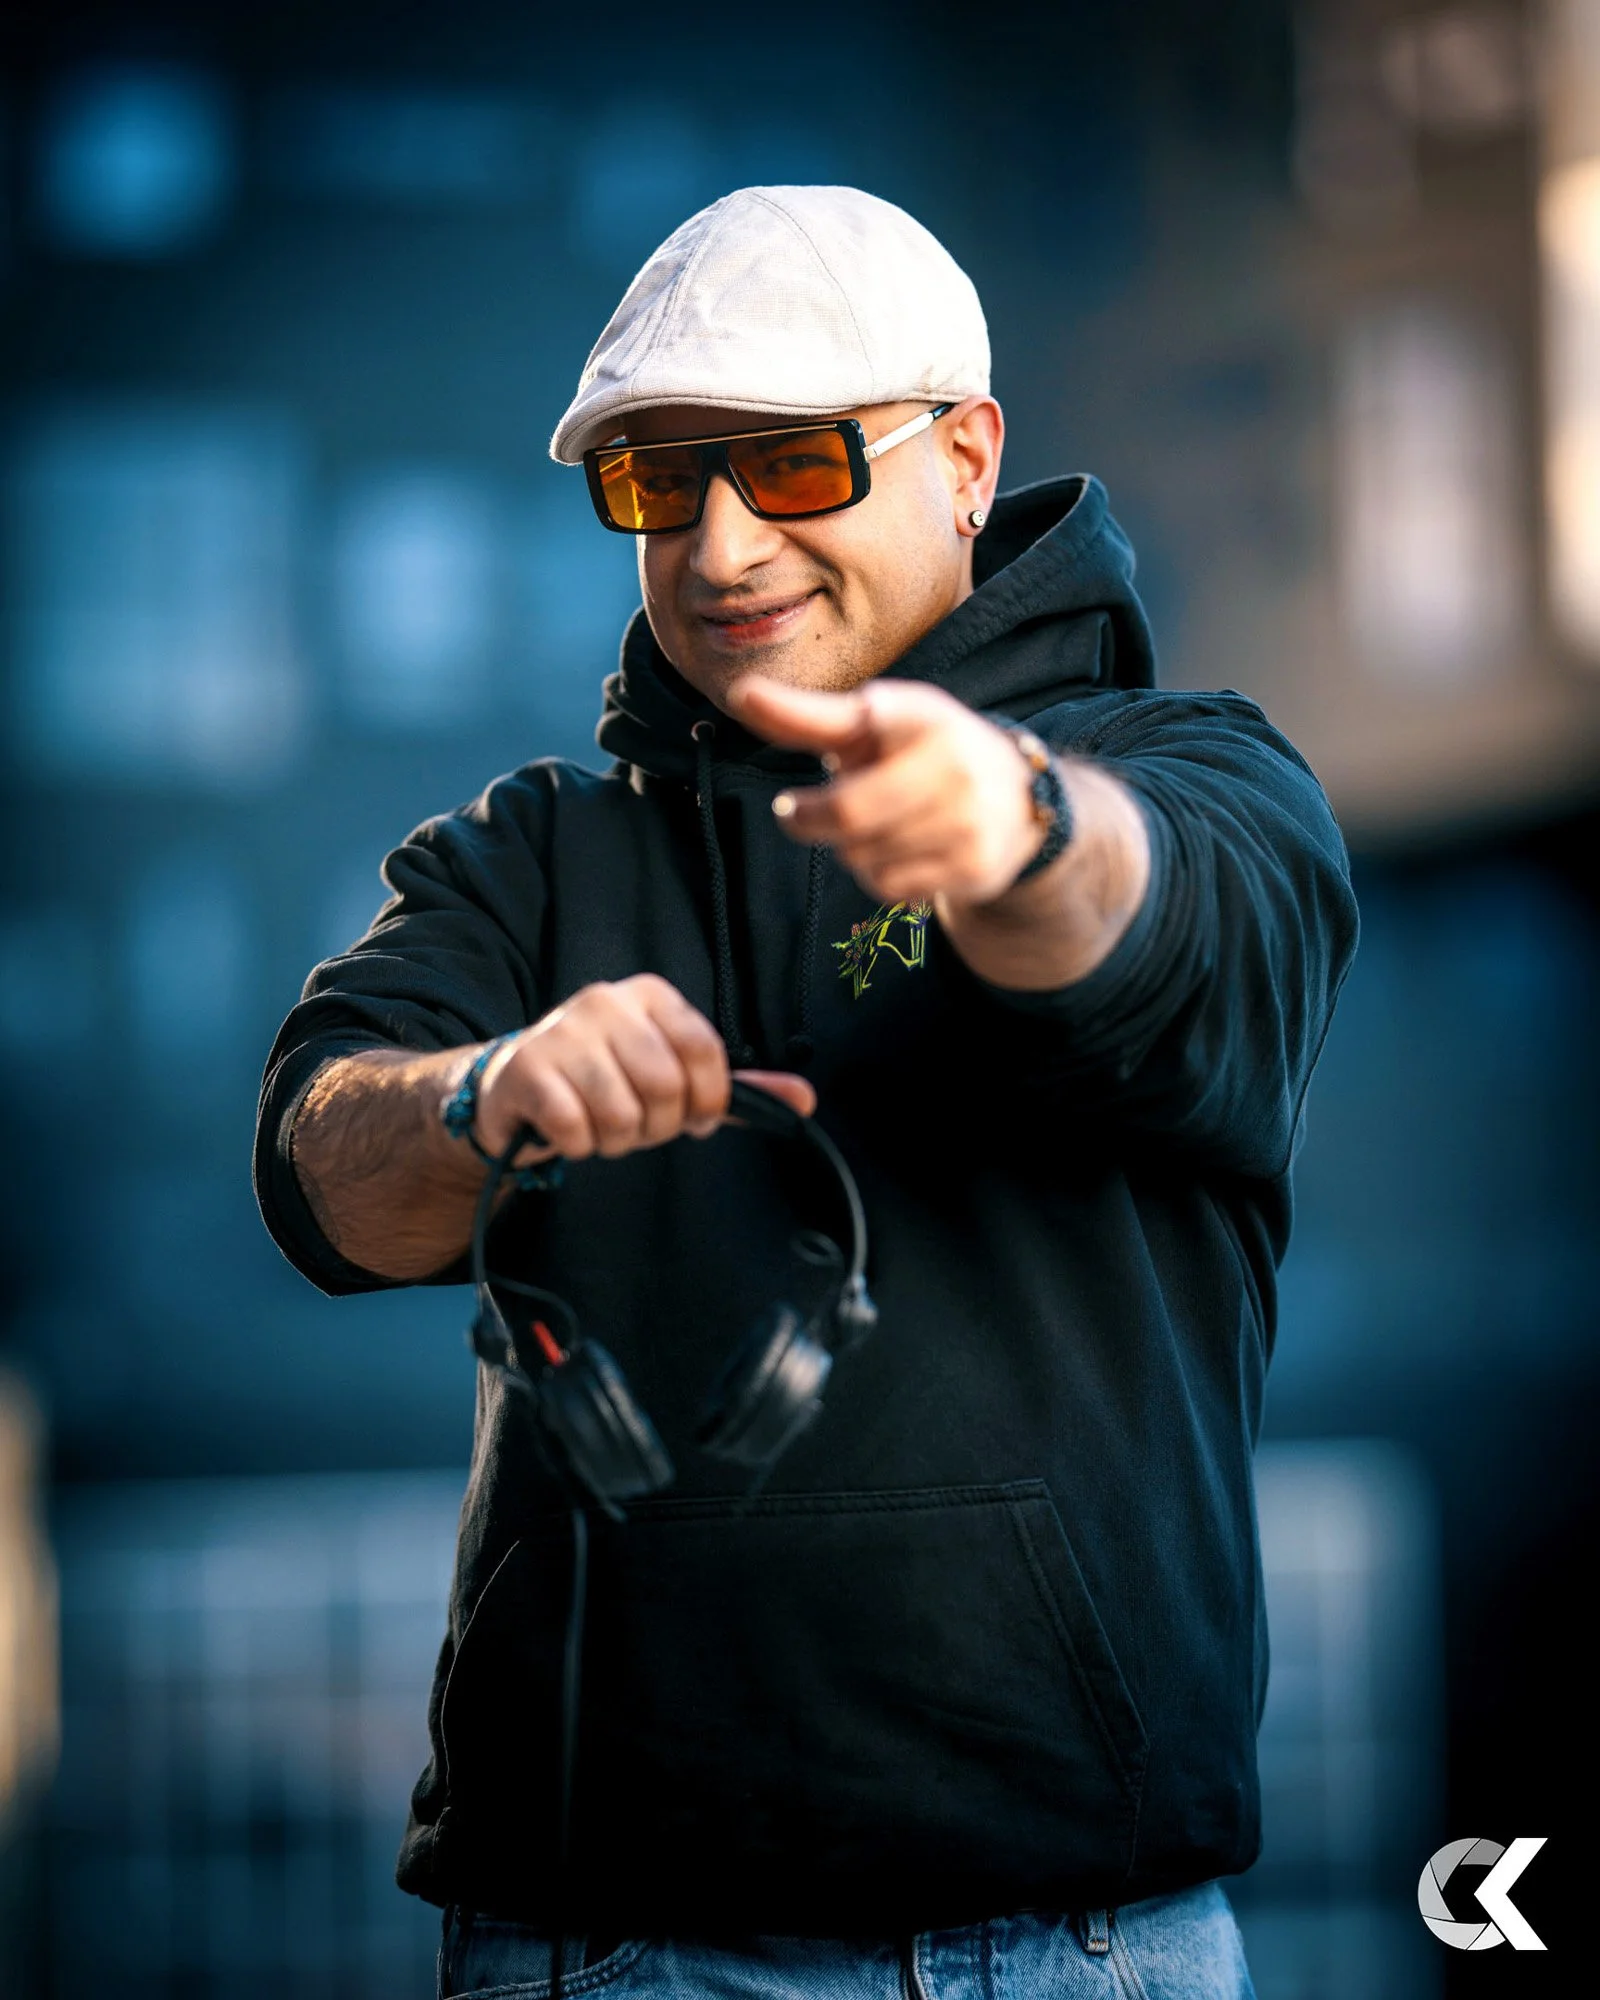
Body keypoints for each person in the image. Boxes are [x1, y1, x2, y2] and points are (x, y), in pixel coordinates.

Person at [254, 185, 1358, 2000]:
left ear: (967, 458)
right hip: (585, 1955)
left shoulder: (1194, 777)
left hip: (1068, 1956)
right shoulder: (526, 861)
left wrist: (1013, 832)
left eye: (789, 467)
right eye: (658, 482)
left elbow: (1150, 921)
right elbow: (322, 1169)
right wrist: (484, 1097)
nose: (716, 545)